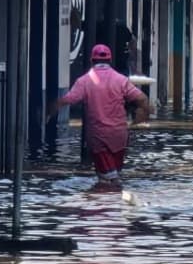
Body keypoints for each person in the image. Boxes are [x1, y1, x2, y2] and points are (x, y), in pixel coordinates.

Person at [51, 44, 153, 184]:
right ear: (110, 61)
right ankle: (113, 204)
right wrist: (142, 115)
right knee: (111, 175)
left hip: (99, 137)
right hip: (120, 136)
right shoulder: (121, 80)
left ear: (92, 61)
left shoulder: (84, 81)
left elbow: (68, 99)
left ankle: (111, 201)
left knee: (109, 179)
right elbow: (142, 99)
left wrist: (50, 109)